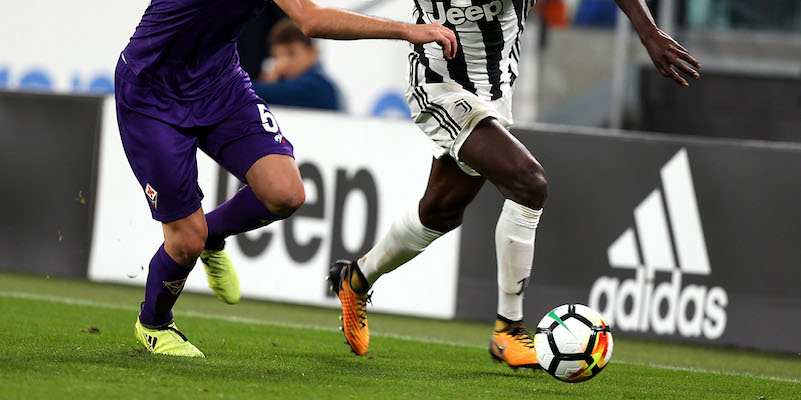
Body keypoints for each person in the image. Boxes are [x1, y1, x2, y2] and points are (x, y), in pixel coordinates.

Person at [329, 0, 701, 369]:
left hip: (493, 96)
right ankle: (508, 329)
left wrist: (648, 31)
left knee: (440, 212)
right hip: (439, 88)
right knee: (528, 183)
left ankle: (355, 278)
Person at [116, 0, 457, 357]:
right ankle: (154, 323)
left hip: (220, 86)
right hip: (151, 97)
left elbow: (307, 15)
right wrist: (406, 30)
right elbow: (312, 21)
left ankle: (212, 235)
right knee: (185, 240)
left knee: (286, 193)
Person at [252, 18, 341, 111]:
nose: (283, 63)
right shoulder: (284, 83)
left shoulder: (318, 86)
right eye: (276, 56)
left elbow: (251, 93)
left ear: (313, 52)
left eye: (291, 53)